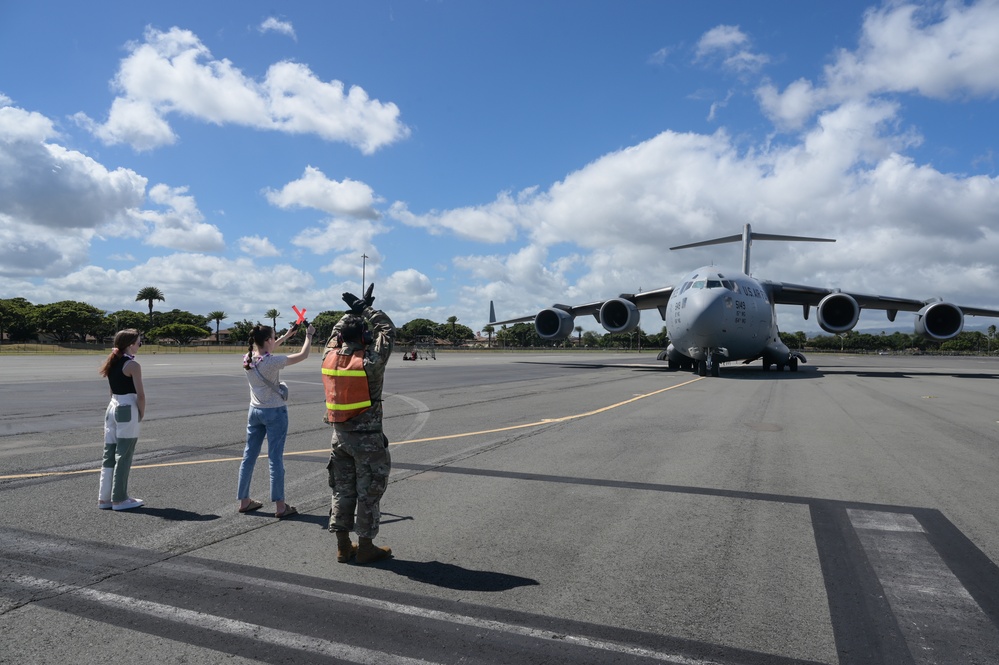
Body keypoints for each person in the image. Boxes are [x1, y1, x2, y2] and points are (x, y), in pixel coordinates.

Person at [323, 284, 396, 563]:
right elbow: (388, 330)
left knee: (342, 491)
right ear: (365, 336)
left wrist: (351, 311)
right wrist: (366, 309)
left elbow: (334, 334)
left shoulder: (329, 355)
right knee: (368, 494)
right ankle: (365, 547)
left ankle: (343, 546)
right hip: (368, 441)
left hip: (339, 438)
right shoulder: (370, 361)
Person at [238, 320, 315, 517]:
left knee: (249, 456)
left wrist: (286, 336)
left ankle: (244, 500)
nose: (275, 339)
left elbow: (266, 349)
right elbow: (303, 355)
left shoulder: (247, 357)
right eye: (274, 336)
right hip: (274, 412)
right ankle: (280, 506)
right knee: (275, 458)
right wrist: (309, 336)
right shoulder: (272, 362)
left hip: (254, 411)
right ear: (267, 340)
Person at [98, 329, 146, 511]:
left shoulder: (112, 362)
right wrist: (141, 413)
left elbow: (112, 391)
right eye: (139, 343)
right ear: (130, 344)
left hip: (112, 407)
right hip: (127, 408)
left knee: (109, 453)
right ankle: (119, 498)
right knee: (124, 454)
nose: (139, 346)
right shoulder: (133, 366)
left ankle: (105, 498)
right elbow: (140, 395)